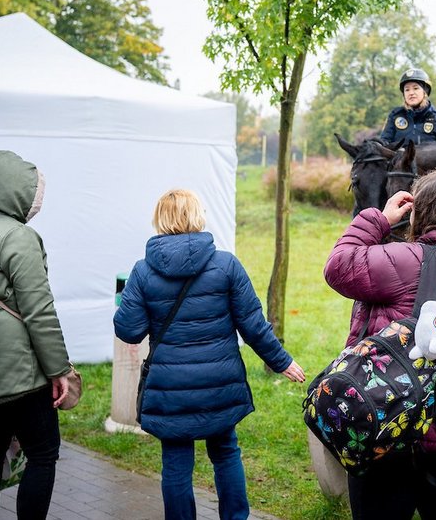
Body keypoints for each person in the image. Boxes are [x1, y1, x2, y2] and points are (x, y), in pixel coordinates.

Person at [324, 166, 436, 520]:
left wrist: (378, 219)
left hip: (398, 431)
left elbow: (339, 266)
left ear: (420, 212)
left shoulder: (409, 260)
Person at [114, 189, 305, 520]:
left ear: (160, 219)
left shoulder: (143, 272)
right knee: (226, 452)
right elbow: (254, 325)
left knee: (175, 462)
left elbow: (128, 330)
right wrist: (282, 361)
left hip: (170, 387)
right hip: (220, 382)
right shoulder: (226, 265)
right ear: (197, 216)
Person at [0, 149, 76, 519]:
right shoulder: (19, 236)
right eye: (31, 191)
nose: (35, 200)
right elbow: (38, 310)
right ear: (12, 190)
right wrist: (59, 370)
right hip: (19, 367)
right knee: (43, 451)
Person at [379, 68, 436, 146]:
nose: (411, 93)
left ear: (425, 91)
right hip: (400, 157)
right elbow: (383, 144)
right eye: (407, 90)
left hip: (429, 158)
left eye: (415, 88)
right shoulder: (395, 116)